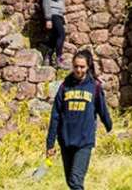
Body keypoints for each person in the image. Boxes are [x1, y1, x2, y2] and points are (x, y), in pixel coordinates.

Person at [46, 50, 112, 190]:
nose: (78, 70)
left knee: (76, 181)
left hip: (84, 141)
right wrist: (50, 143)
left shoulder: (94, 86)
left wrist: (109, 125)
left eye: (82, 67)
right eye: (76, 66)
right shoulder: (65, 86)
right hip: (66, 140)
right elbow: (55, 115)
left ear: (88, 67)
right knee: (70, 181)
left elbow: (102, 109)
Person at [40, 0, 66, 66]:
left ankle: (47, 58)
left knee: (54, 38)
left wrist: (63, 16)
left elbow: (60, 6)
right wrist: (48, 19)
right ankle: (59, 59)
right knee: (61, 35)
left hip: (58, 16)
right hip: (53, 16)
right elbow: (46, 4)